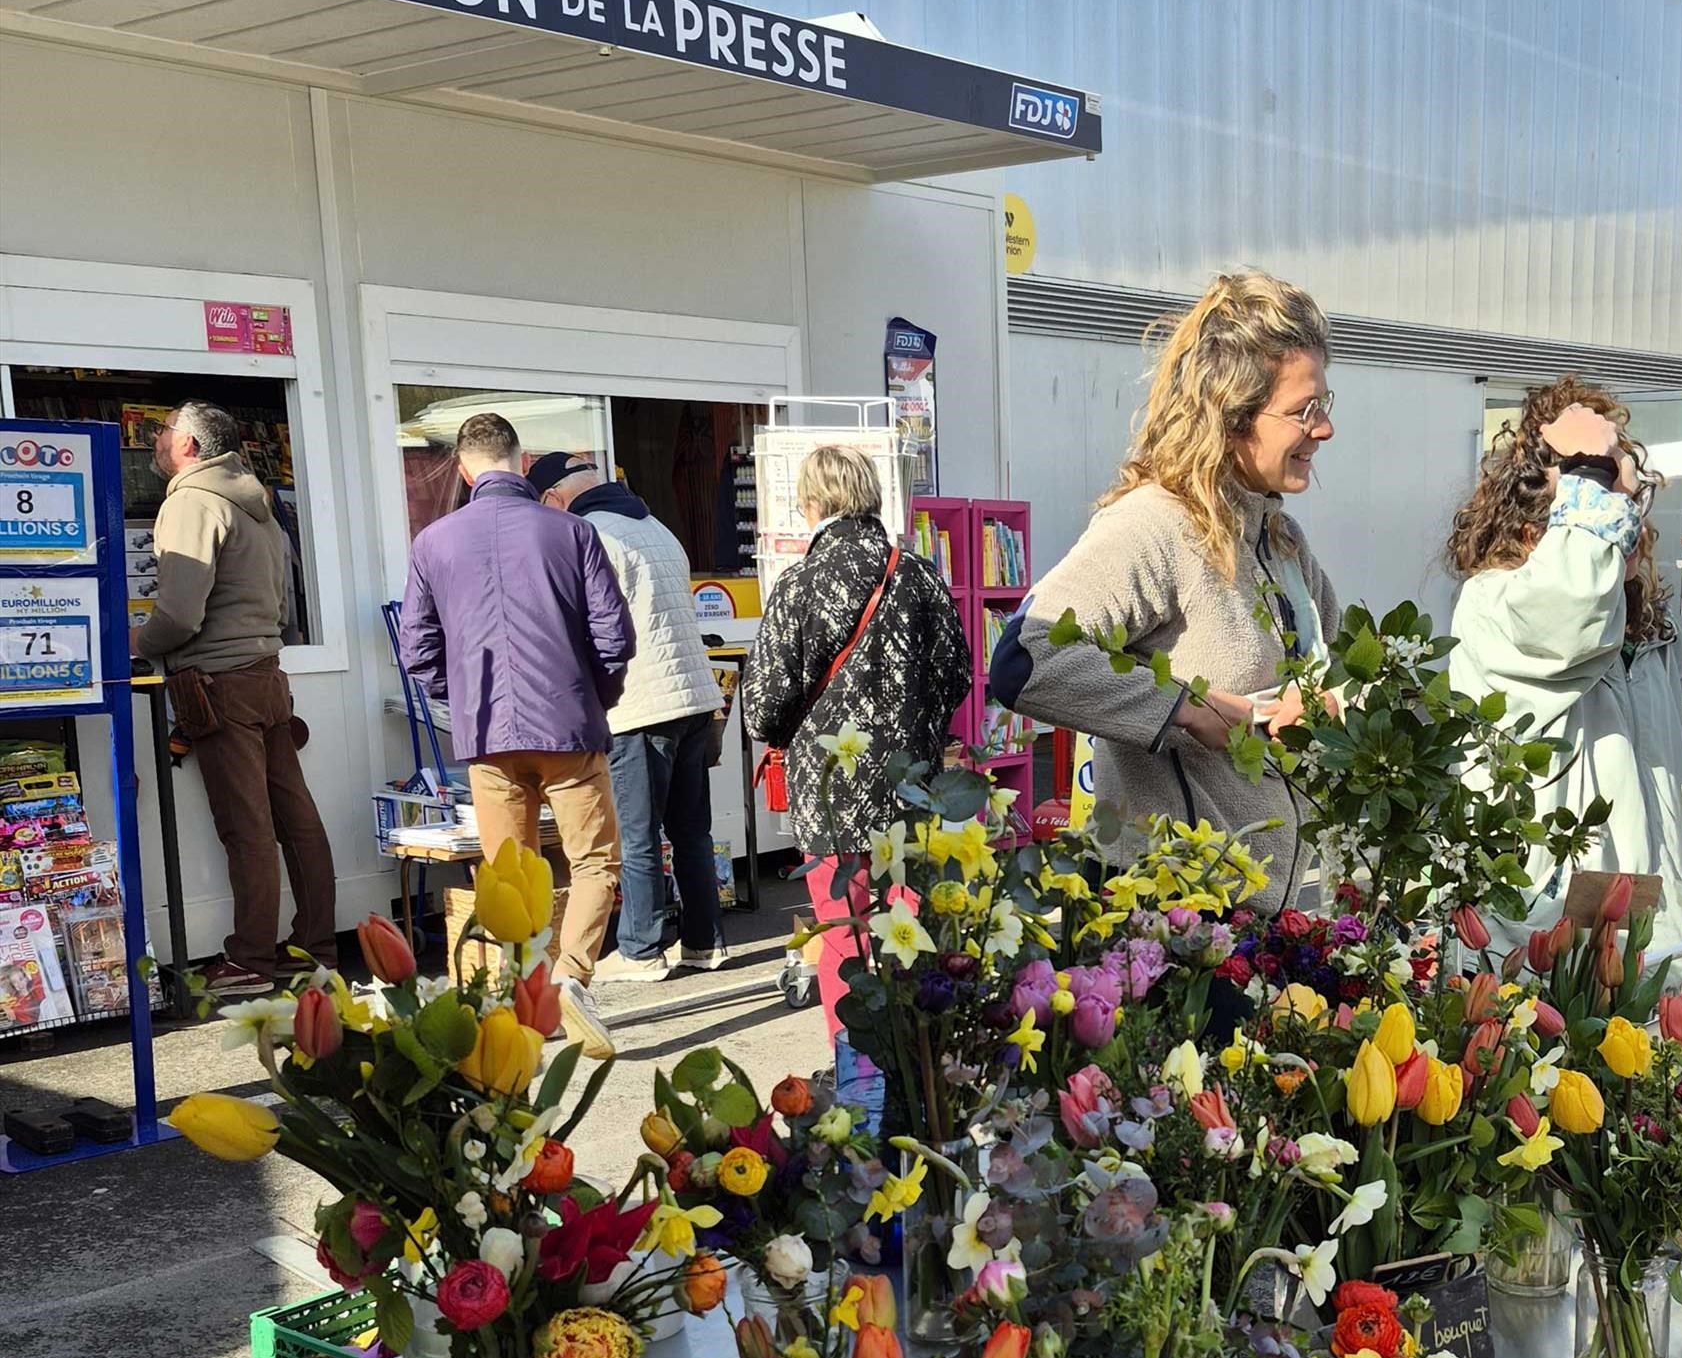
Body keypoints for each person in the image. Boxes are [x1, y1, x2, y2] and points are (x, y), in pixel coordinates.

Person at [992, 270, 1338, 909]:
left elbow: (1330, 667)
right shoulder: (1156, 525)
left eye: (1325, 406)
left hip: (1265, 912)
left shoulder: (1281, 539)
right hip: (1171, 918)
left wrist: (1328, 702)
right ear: (1231, 415)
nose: (1324, 430)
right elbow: (1025, 658)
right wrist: (1191, 709)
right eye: (1303, 411)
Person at [1444, 381, 1682, 950]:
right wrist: (1589, 469)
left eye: (1630, 506)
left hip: (1653, 910)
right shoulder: (1499, 602)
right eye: (1603, 507)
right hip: (1546, 915)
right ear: (1536, 529)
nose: (1625, 525)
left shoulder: (1651, 626)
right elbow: (1569, 610)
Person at [398, 413, 633, 1056]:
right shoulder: (572, 530)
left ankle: (531, 1001)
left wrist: (464, 700)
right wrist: (594, 699)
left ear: (464, 468)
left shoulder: (433, 542)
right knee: (594, 862)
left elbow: (417, 650)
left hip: (487, 734)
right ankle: (572, 977)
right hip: (568, 726)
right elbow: (614, 637)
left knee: (511, 876)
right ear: (522, 461)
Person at [739, 443, 970, 1064]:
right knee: (910, 928)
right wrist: (917, 726)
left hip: (832, 791)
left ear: (812, 502)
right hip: (911, 785)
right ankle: (919, 1068)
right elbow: (957, 673)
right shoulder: (918, 574)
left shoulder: (800, 583)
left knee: (844, 935)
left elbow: (762, 708)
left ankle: (860, 1074)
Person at [135, 400, 336, 995]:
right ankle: (315, 949)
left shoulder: (191, 501)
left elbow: (179, 614)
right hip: (267, 675)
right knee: (296, 820)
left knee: (245, 828)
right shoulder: (257, 503)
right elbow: (282, 604)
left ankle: (250, 960)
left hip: (218, 682)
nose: (156, 438)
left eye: (164, 430)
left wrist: (138, 640)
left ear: (189, 445)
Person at [527, 451, 726, 982]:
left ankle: (640, 950)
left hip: (641, 704)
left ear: (553, 499)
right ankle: (704, 942)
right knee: (692, 831)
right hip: (694, 698)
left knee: (636, 835)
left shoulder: (589, 535)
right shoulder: (656, 526)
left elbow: (586, 628)